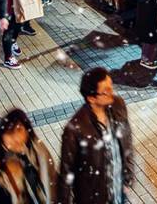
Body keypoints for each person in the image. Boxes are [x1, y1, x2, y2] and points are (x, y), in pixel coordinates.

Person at [58, 68, 135, 204]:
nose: (112, 93)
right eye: (106, 91)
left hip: (119, 191)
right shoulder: (75, 129)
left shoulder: (118, 105)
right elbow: (66, 172)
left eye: (111, 86)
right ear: (91, 98)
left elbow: (127, 142)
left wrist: (128, 178)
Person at [0, 108, 57, 204]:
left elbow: (51, 176)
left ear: (27, 130)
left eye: (19, 130)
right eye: (10, 133)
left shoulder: (37, 148)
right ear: (2, 135)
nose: (16, 138)